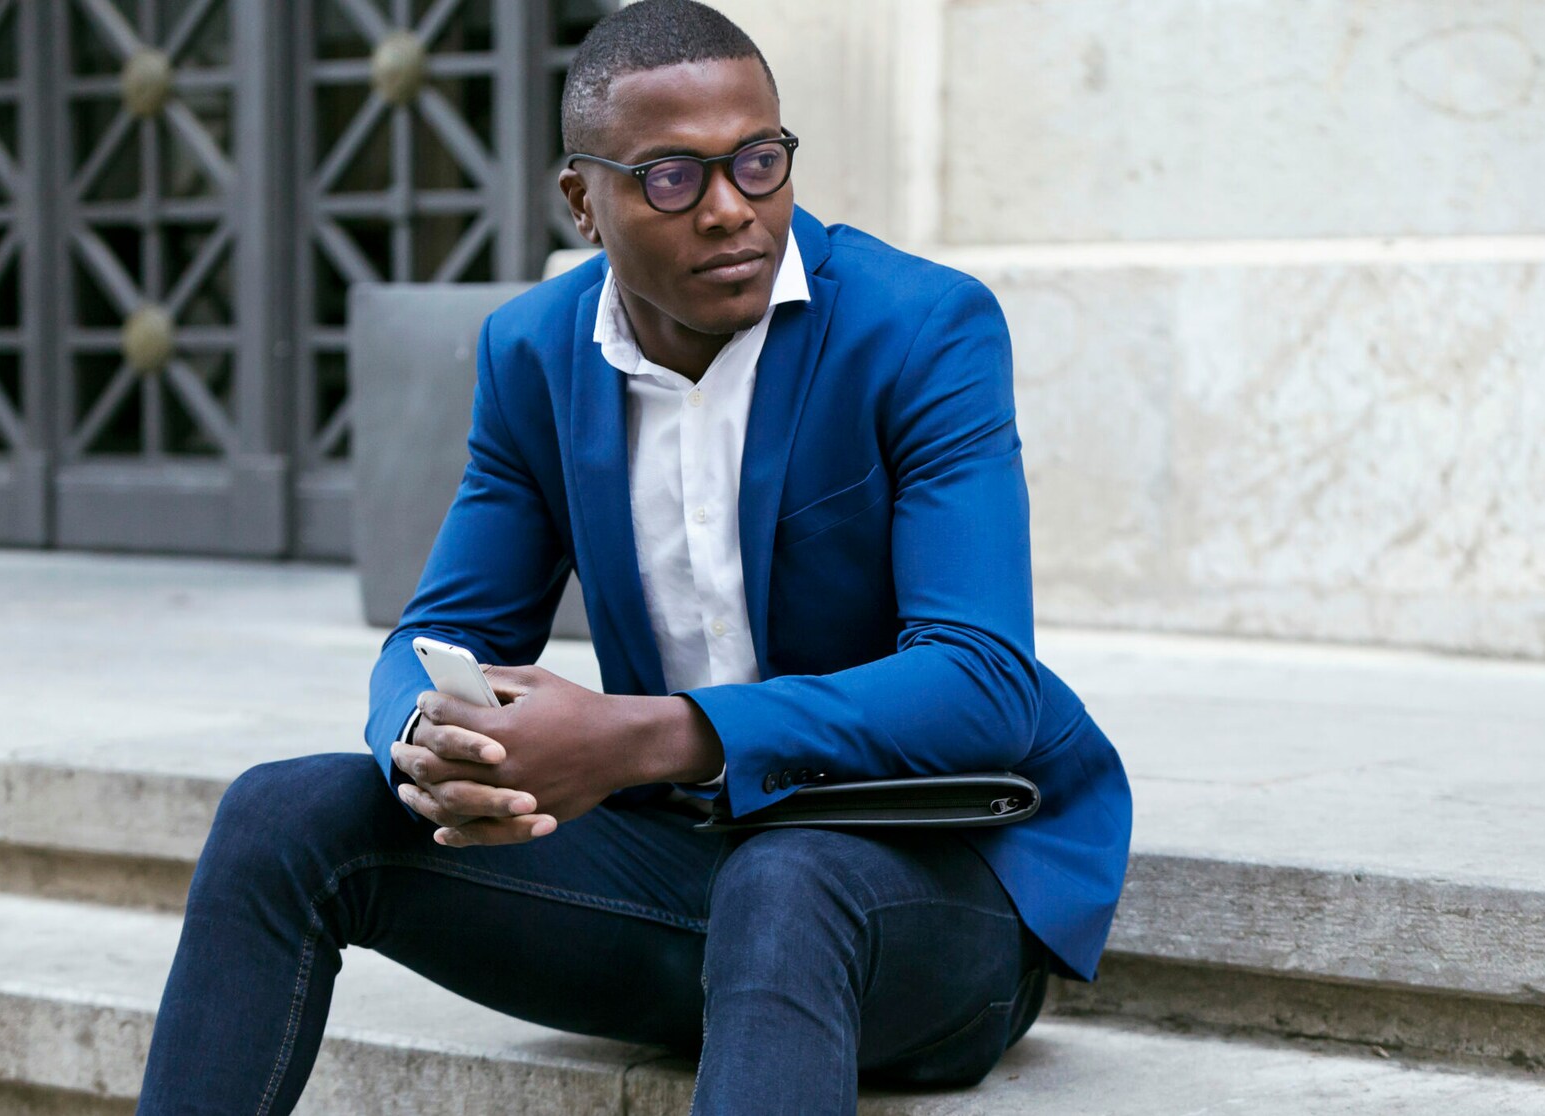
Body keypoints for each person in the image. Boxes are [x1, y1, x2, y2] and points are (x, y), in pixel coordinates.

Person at [135, 3, 1131, 1112]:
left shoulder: (920, 327)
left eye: (759, 163)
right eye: (672, 177)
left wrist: (641, 737)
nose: (730, 211)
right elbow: (442, 634)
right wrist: (429, 737)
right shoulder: (534, 352)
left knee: (785, 880)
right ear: (582, 202)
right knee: (284, 818)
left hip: (930, 890)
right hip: (685, 886)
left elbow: (981, 682)